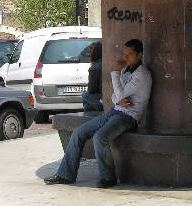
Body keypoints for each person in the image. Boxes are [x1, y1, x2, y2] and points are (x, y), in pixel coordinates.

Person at [44, 38, 152, 188]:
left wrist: (115, 73)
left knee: (100, 137)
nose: (125, 57)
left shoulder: (142, 75)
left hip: (129, 117)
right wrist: (118, 100)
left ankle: (108, 177)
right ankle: (65, 174)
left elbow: (119, 94)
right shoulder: (126, 70)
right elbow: (115, 96)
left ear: (140, 55)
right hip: (116, 111)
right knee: (79, 133)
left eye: (130, 54)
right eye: (125, 54)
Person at [82, 41, 104, 112]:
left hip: (103, 102)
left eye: (91, 50)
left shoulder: (94, 68)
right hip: (110, 99)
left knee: (85, 95)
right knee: (87, 103)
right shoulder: (106, 63)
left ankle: (88, 114)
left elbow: (91, 89)